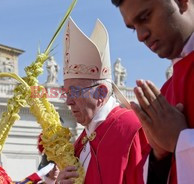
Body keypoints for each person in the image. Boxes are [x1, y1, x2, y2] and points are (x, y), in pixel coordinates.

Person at [57, 17, 150, 184]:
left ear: (101, 92)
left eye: (75, 92)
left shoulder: (132, 129)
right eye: (66, 93)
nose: (68, 102)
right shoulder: (81, 142)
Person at [111, 0, 194, 183]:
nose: (141, 36)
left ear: (181, 2)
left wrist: (181, 141)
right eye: (133, 28)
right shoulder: (166, 92)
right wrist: (159, 155)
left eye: (145, 17)